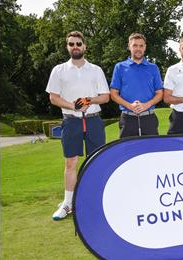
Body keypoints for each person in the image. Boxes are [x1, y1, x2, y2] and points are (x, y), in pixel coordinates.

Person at [46, 31, 110, 220]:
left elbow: (105, 97)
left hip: (93, 120)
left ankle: (96, 201)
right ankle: (67, 204)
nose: (75, 47)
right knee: (70, 162)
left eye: (78, 43)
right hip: (71, 120)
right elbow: (53, 97)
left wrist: (88, 100)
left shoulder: (96, 70)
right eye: (71, 44)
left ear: (84, 46)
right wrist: (72, 105)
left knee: (96, 161)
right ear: (67, 47)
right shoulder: (59, 70)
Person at [110, 33, 163, 137]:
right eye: (135, 45)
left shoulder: (153, 68)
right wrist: (130, 106)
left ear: (145, 47)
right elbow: (113, 94)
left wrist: (146, 105)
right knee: (128, 152)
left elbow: (160, 93)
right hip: (127, 119)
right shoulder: (120, 67)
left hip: (149, 118)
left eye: (141, 46)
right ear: (129, 46)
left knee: (152, 151)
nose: (138, 48)